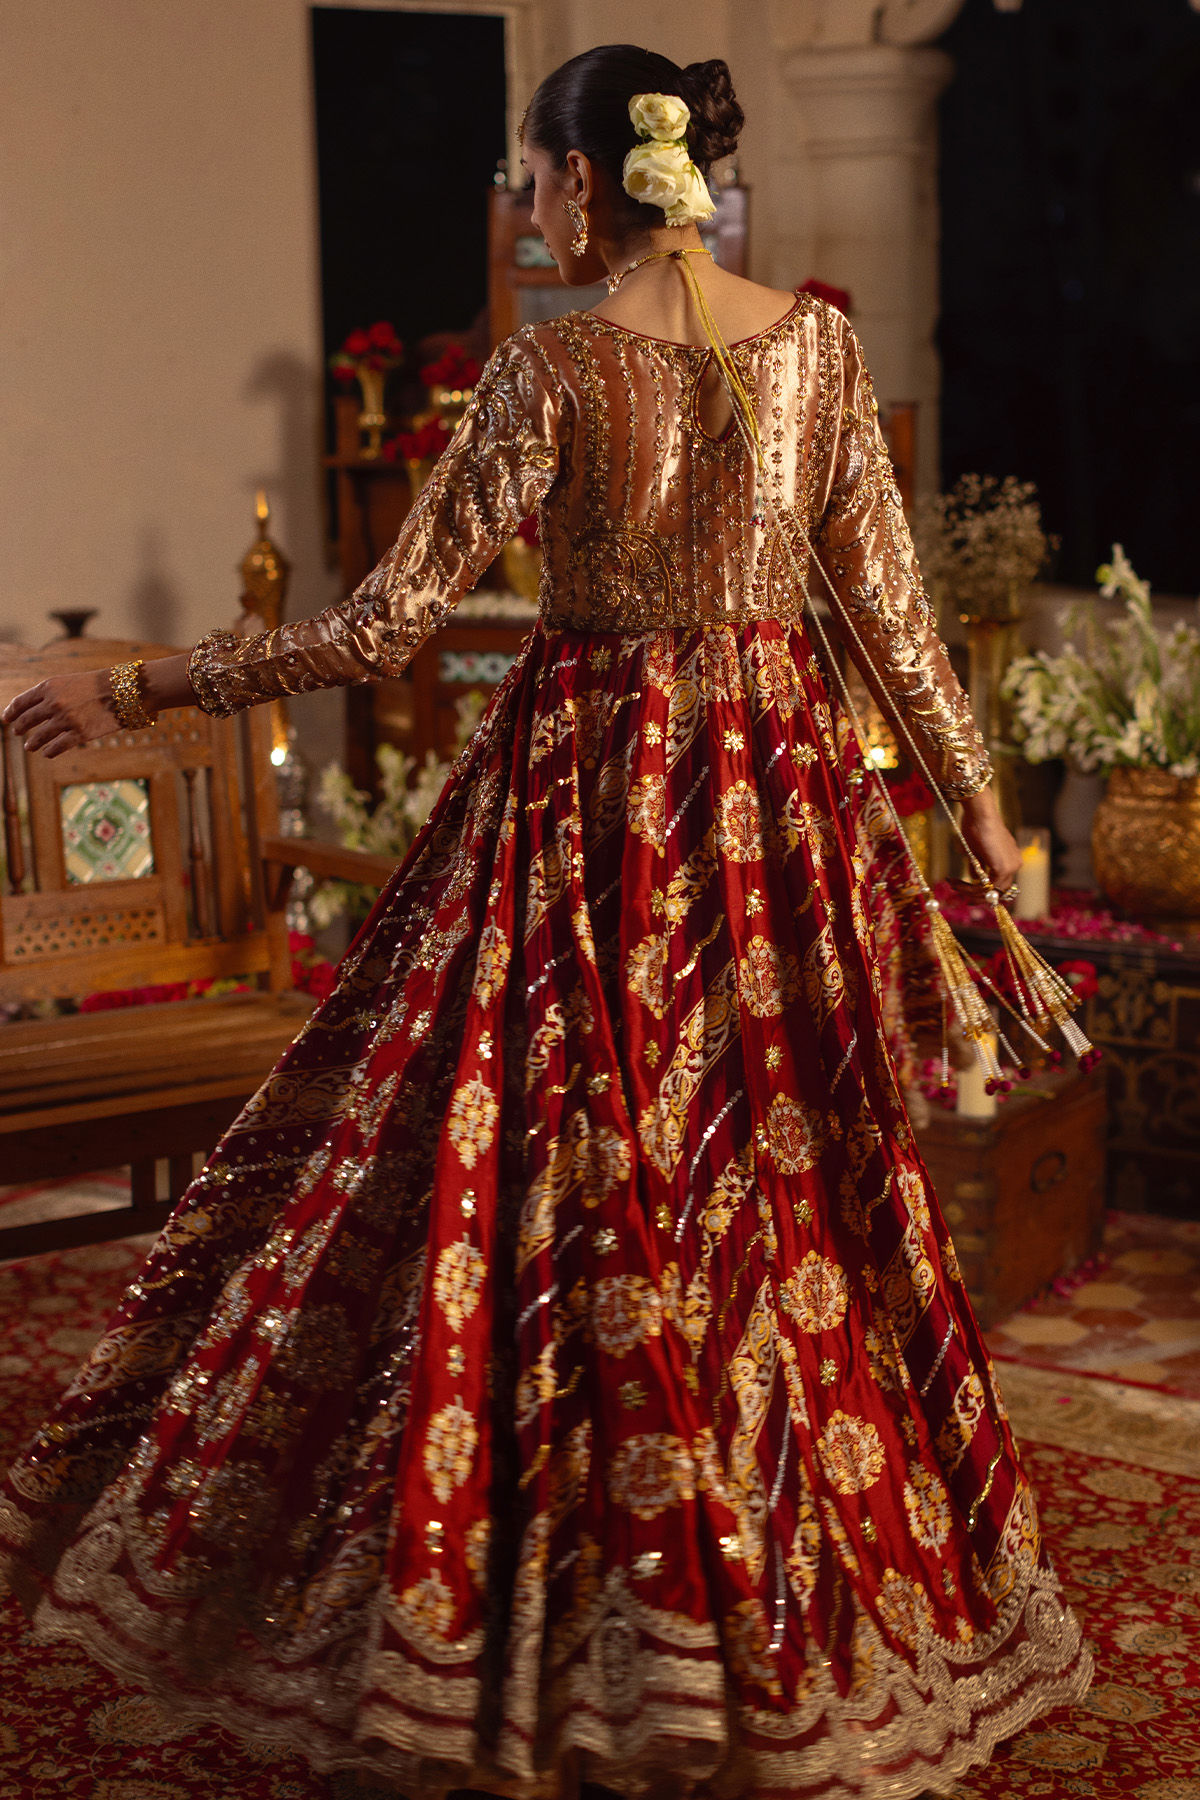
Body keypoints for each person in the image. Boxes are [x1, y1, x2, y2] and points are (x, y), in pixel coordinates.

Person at [0, 43, 1089, 1800]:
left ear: (583, 179)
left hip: (594, 818)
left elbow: (380, 632)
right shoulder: (819, 351)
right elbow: (897, 626)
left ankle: (567, 1596)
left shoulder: (555, 366)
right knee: (780, 1184)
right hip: (774, 824)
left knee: (563, 1185)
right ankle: (787, 1577)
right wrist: (983, 841)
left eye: (529, 176)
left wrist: (146, 682)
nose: (525, 205)